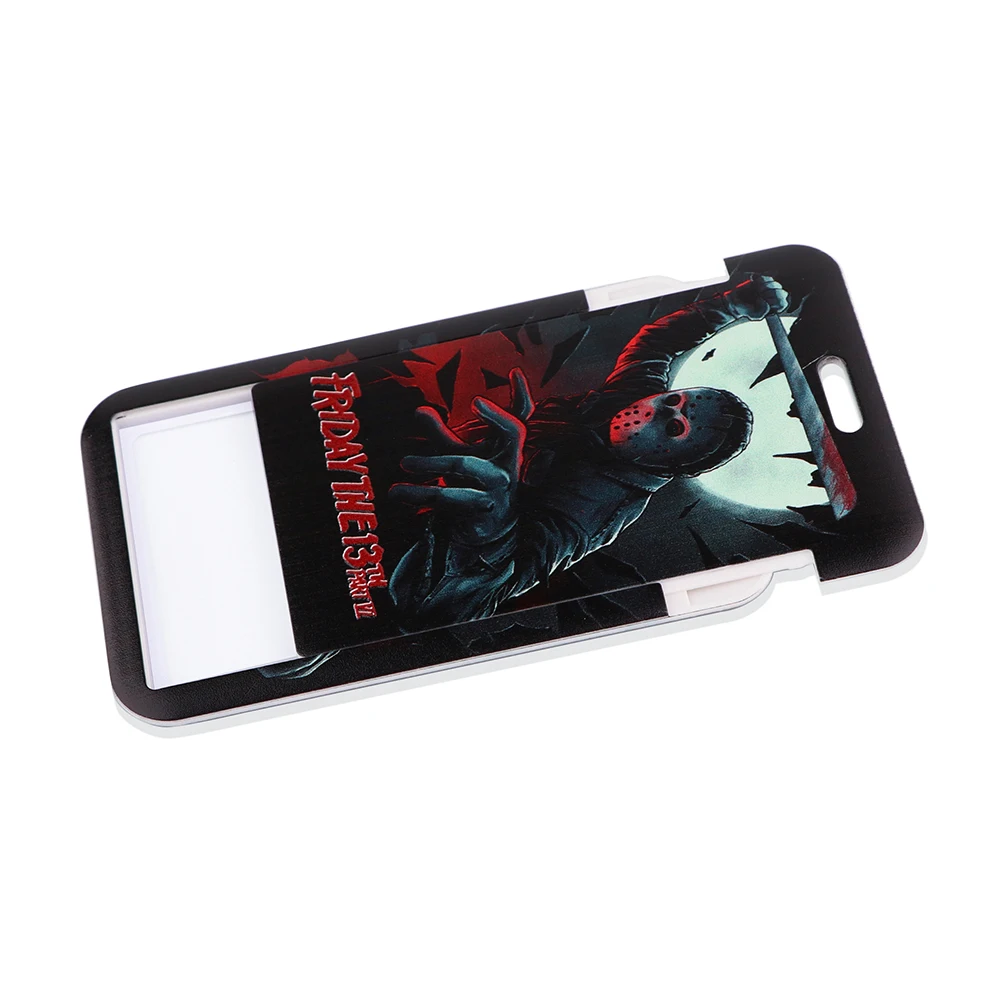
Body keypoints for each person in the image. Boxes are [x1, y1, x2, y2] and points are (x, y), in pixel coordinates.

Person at [387, 274, 789, 627]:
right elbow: (658, 343)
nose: (651, 412)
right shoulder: (633, 393)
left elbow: (482, 593)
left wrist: (487, 528)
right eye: (671, 400)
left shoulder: (601, 506)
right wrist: (731, 305)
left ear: (677, 464)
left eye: (673, 428)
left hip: (399, 551)